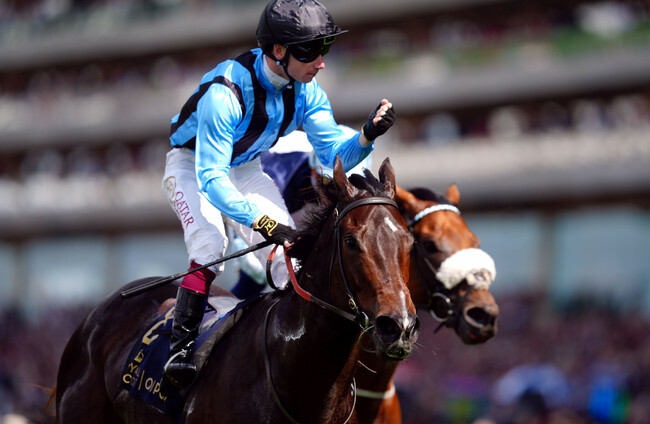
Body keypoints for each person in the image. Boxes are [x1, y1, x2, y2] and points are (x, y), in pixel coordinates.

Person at [161, 0, 396, 392]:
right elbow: (212, 179)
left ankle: (298, 350)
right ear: (278, 50)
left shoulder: (307, 90)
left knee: (287, 260)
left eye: (324, 48)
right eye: (310, 51)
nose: (321, 61)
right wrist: (262, 222)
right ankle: (179, 351)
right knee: (210, 244)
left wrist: (366, 135)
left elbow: (332, 155)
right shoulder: (225, 94)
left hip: (246, 167)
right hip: (193, 166)